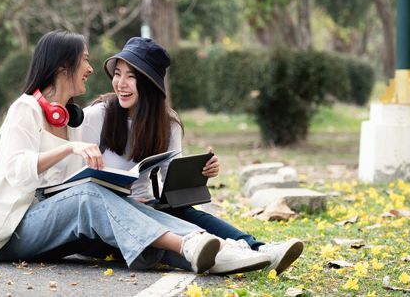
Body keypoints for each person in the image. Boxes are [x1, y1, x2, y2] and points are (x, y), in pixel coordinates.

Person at [0, 30, 270, 275]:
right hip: (14, 230)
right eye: (85, 60)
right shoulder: (26, 108)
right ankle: (190, 243)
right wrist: (70, 148)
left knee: (135, 225)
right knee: (92, 196)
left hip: (66, 229)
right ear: (61, 67)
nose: (92, 69)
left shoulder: (71, 118)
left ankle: (224, 254)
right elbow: (16, 171)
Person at [80, 37, 304, 275]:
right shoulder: (97, 116)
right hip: (108, 218)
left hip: (148, 207)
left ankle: (260, 248)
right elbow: (76, 184)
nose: (120, 83)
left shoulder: (167, 123)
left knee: (184, 213)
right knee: (164, 223)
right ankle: (233, 252)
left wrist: (199, 173)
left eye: (131, 76)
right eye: (117, 74)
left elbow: (172, 187)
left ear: (149, 82)